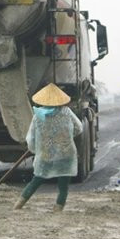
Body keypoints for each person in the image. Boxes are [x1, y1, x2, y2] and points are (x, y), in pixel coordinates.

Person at [13, 83, 84, 212]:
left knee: (37, 179)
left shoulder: (38, 116)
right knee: (63, 184)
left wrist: (36, 149)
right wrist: (66, 138)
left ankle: (18, 205)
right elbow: (79, 128)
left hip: (46, 154)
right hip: (65, 154)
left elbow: (31, 138)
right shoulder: (66, 112)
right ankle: (58, 208)